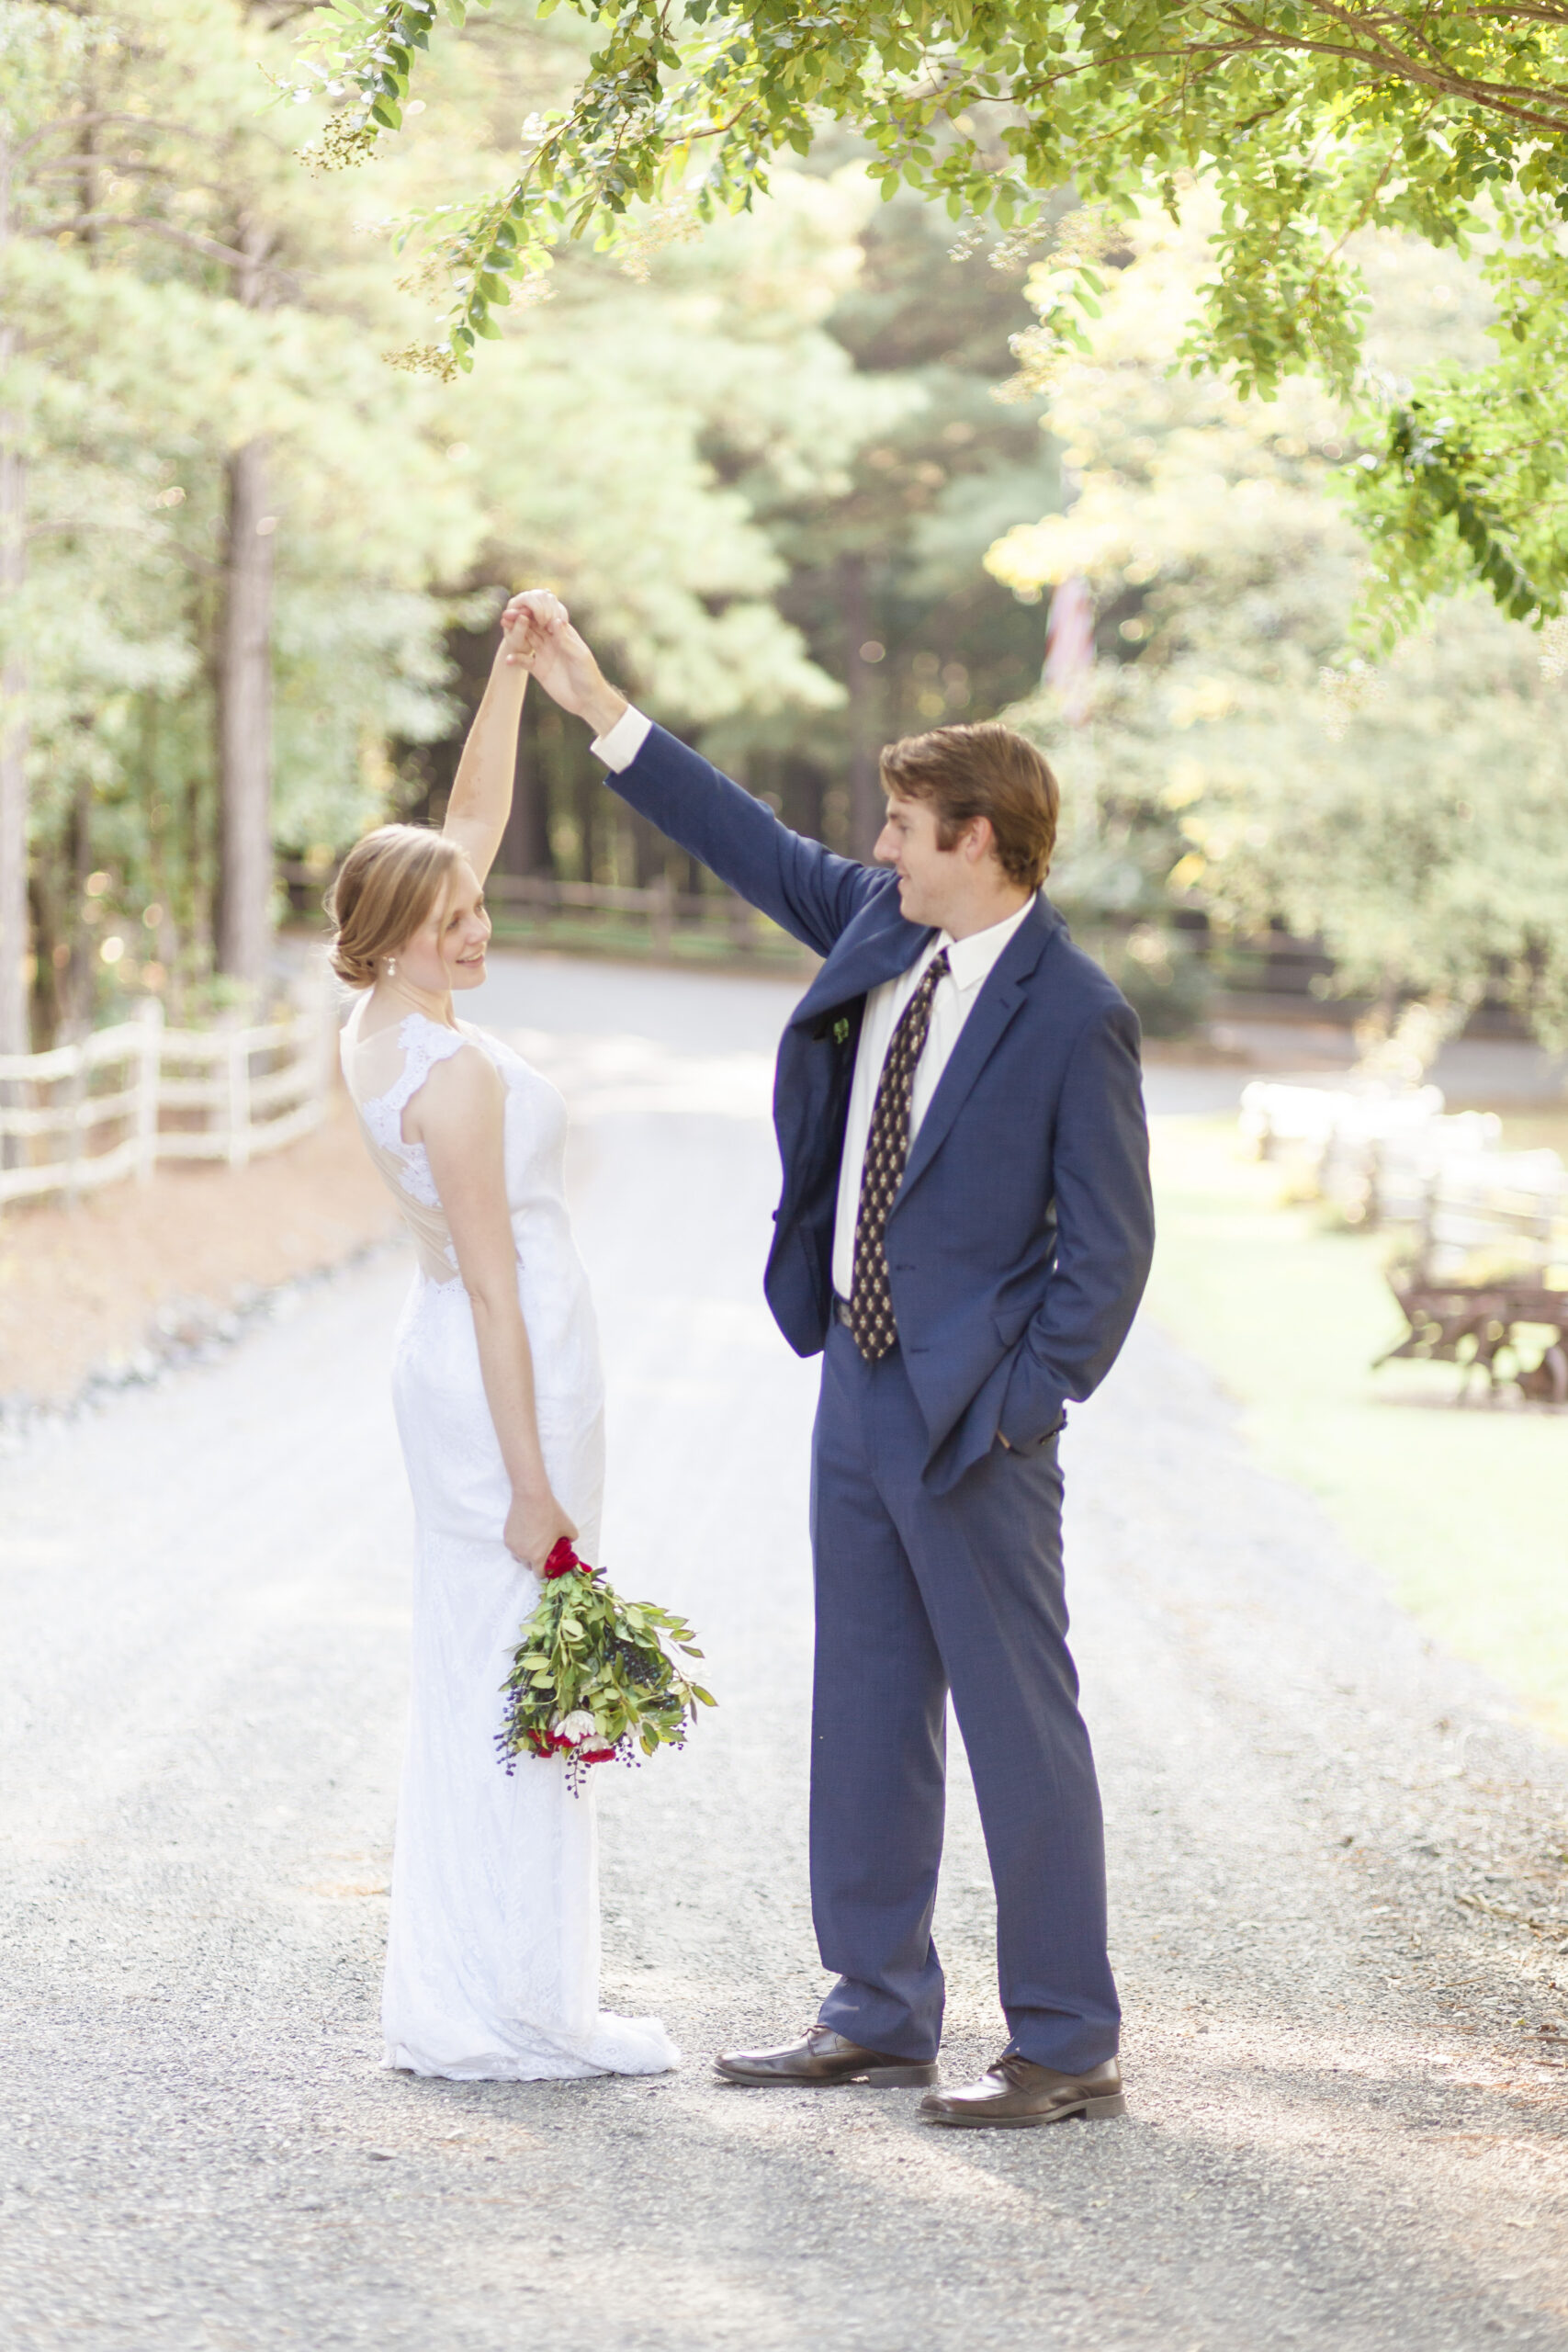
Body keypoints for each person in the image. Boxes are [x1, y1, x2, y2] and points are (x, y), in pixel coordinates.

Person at [504, 593, 1155, 2129]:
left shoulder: (1080, 1017)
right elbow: (735, 835)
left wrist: (1017, 1406)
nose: (880, 844)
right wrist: (598, 701)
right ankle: (876, 2009)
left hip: (974, 1424)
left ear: (982, 841)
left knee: (1019, 1728)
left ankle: (1065, 2043)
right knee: (865, 1702)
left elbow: (1109, 1259)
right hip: (852, 1390)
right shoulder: (881, 926)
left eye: (907, 825)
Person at [331, 593, 677, 2084]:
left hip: (483, 1359)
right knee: (506, 1673)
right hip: (497, 1384)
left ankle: (512, 1980)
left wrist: (511, 679)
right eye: (456, 921)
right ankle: (505, 2001)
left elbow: (468, 815)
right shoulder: (448, 1084)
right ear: (401, 944)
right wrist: (535, 1488)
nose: (480, 925)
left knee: (496, 1664)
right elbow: (487, 1288)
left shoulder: (383, 1015)